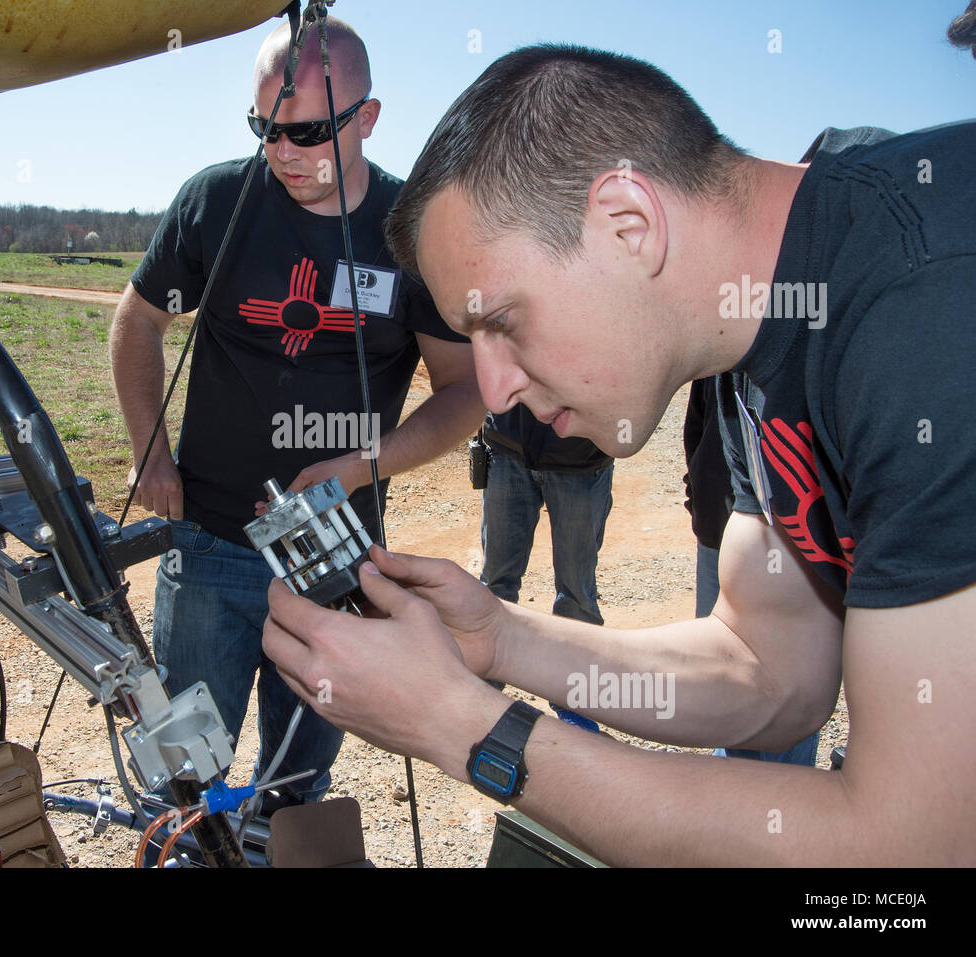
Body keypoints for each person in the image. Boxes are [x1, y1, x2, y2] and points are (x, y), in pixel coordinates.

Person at [262, 44, 976, 864]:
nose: (491, 392)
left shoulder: (927, 302)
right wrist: (500, 639)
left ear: (628, 224)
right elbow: (766, 674)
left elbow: (916, 849)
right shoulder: (751, 341)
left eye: (499, 320)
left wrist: (463, 725)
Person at [109, 17, 481, 807]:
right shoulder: (217, 202)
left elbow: (466, 390)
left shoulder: (409, 233)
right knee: (179, 780)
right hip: (208, 542)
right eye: (265, 130)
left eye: (307, 132)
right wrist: (152, 452)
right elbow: (137, 320)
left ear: (367, 119)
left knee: (298, 786)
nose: (281, 152)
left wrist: (361, 468)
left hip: (335, 560)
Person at [684, 376, 819, 765]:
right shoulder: (723, 356)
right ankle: (739, 772)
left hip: (788, 549)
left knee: (784, 679)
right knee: (720, 672)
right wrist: (700, 496)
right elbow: (699, 424)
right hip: (718, 533)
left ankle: (784, 790)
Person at [480, 406, 613, 625]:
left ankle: (576, 655)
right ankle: (491, 653)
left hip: (580, 457)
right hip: (508, 445)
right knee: (495, 581)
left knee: (576, 588)